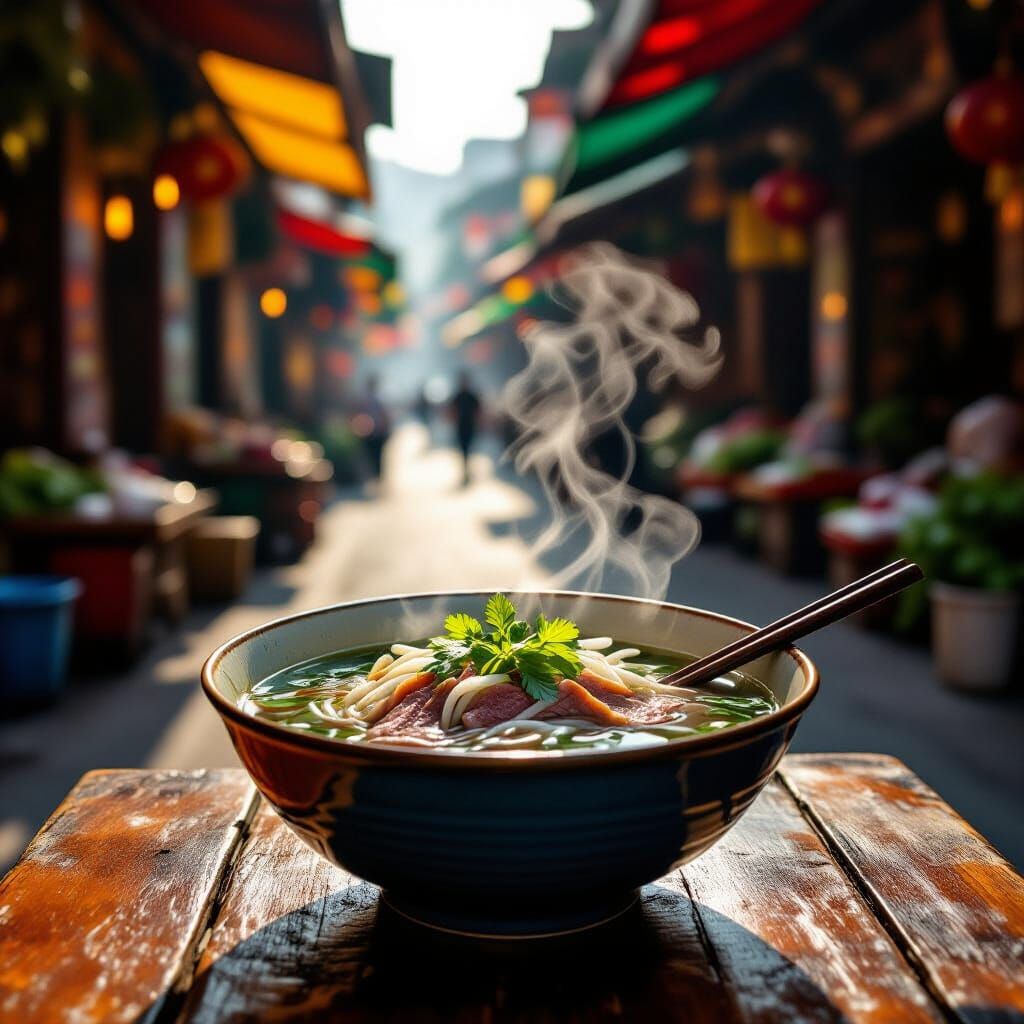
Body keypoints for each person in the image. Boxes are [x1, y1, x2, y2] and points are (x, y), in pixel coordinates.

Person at [450, 372, 482, 485]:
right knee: (464, 450)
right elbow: (451, 412)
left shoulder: (471, 396)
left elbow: (479, 411)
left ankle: (468, 470)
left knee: (469, 450)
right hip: (460, 427)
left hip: (470, 427)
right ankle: (466, 471)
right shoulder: (457, 396)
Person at [360, 375, 391, 481]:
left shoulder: (366, 399)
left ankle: (375, 473)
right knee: (376, 454)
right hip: (374, 431)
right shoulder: (377, 399)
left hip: (371, 431)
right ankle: (376, 473)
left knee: (373, 454)